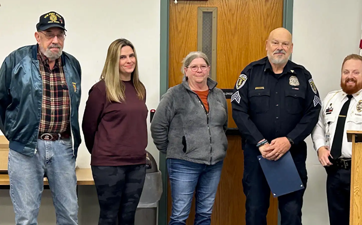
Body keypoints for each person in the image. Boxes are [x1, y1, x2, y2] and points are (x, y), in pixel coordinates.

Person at [231, 27, 321, 225]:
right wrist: (261, 142)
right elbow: (238, 111)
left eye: (285, 44)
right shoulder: (250, 73)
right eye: (275, 43)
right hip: (257, 155)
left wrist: (289, 140)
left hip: (290, 155)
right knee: (255, 210)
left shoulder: (302, 75)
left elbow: (313, 112)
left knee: (291, 212)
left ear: (291, 48)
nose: (280, 48)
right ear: (266, 45)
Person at [0, 11, 81, 224]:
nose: (55, 40)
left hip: (62, 147)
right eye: (49, 34)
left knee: (69, 216)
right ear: (37, 36)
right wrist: (15, 134)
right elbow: (1, 101)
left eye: (60, 35)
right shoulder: (16, 61)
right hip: (26, 148)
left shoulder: (72, 65)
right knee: (26, 218)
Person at [311, 54, 362, 225]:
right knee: (337, 220)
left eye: (356, 72)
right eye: (346, 72)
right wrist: (320, 147)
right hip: (334, 171)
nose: (350, 76)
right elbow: (318, 126)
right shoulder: (331, 98)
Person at [151, 51, 228, 225]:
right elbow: (158, 126)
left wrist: (219, 147)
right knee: (179, 216)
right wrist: (173, 149)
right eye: (194, 67)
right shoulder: (174, 94)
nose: (198, 70)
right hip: (183, 164)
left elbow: (222, 125)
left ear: (208, 69)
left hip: (213, 164)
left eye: (202, 66)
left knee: (204, 214)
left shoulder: (219, 95)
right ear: (186, 71)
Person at [82, 38, 148, 224]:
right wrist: (102, 153)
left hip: (136, 164)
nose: (129, 60)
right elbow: (88, 127)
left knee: (128, 217)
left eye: (131, 55)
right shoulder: (101, 89)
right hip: (109, 165)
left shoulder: (139, 88)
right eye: (123, 57)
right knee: (109, 216)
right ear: (113, 61)